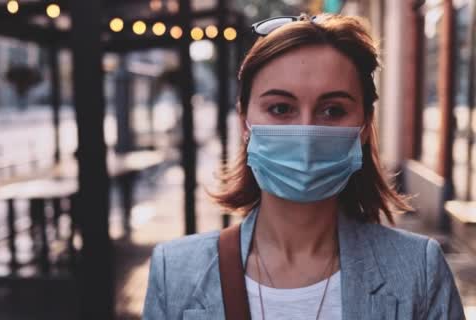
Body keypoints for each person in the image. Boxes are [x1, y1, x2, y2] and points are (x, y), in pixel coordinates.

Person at [142, 14, 464, 319]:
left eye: (332, 110)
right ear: (244, 122)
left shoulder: (419, 272)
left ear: (364, 126)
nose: (307, 132)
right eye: (281, 108)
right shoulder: (176, 273)